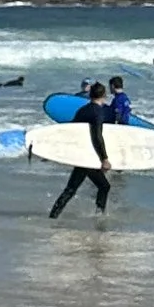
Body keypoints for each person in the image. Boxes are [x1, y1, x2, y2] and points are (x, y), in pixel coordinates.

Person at [50, 81, 113, 220]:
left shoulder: (83, 110)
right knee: (103, 186)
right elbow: (97, 136)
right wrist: (104, 158)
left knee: (72, 188)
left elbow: (71, 131)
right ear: (104, 95)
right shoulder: (98, 112)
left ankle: (54, 215)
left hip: (80, 153)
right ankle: (99, 215)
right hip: (88, 156)